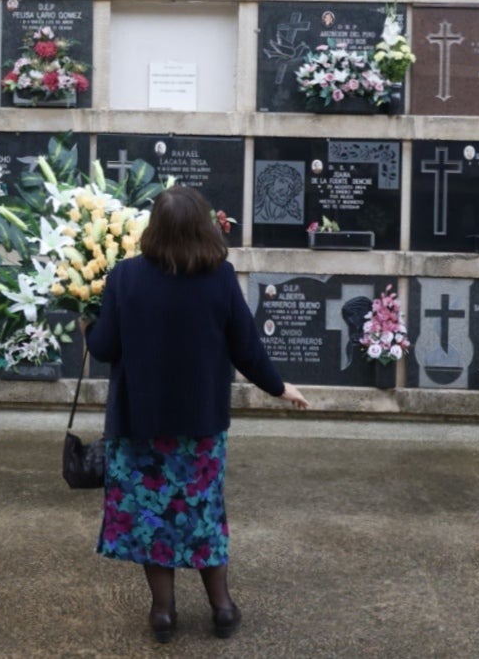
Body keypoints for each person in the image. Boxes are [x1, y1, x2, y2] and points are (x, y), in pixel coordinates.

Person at [85, 185, 309, 643]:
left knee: (151, 518)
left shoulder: (124, 278)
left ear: (154, 227)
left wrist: (85, 323)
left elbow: (104, 348)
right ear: (203, 226)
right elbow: (246, 349)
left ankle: (163, 614)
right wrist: (280, 388)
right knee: (203, 515)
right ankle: (222, 609)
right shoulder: (220, 278)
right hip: (200, 429)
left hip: (139, 427)